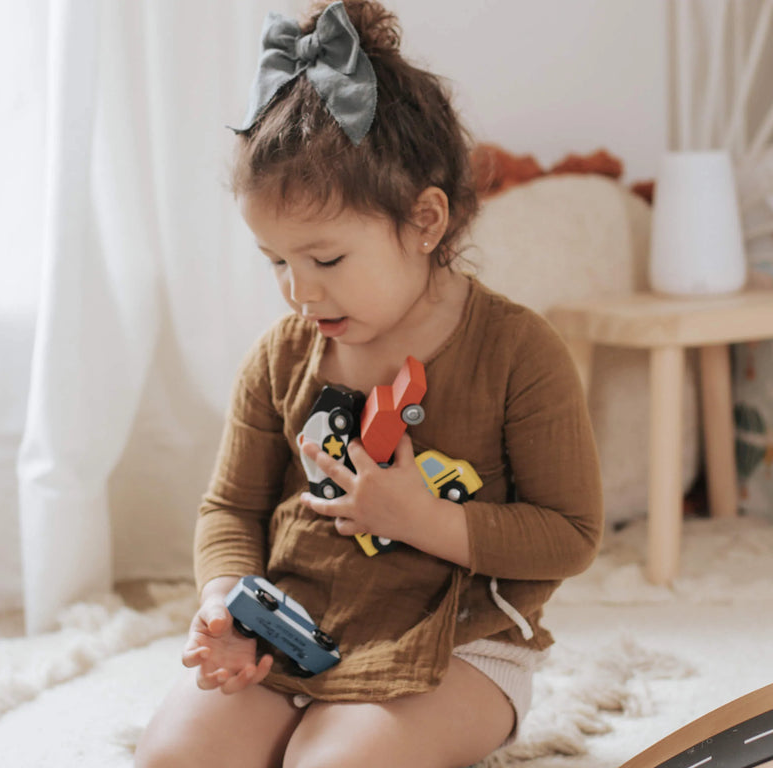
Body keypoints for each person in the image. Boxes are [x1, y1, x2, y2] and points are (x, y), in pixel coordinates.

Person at [135, 2, 603, 766]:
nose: (298, 291)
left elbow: (571, 535)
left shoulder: (520, 354)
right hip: (297, 627)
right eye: (276, 261)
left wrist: (424, 520)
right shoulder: (279, 358)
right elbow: (231, 508)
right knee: (172, 759)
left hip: (459, 644)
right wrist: (226, 605)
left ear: (425, 223)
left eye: (326, 260)